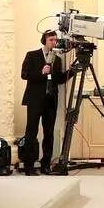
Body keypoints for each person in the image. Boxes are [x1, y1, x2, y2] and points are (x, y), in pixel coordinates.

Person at [21, 32, 65, 175]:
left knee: (49, 134)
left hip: (50, 101)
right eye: (51, 39)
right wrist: (41, 72)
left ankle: (46, 164)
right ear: (44, 41)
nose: (54, 42)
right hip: (35, 100)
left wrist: (72, 72)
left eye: (55, 40)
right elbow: (24, 74)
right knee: (31, 132)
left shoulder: (57, 59)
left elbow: (59, 80)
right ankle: (29, 166)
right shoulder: (32, 55)